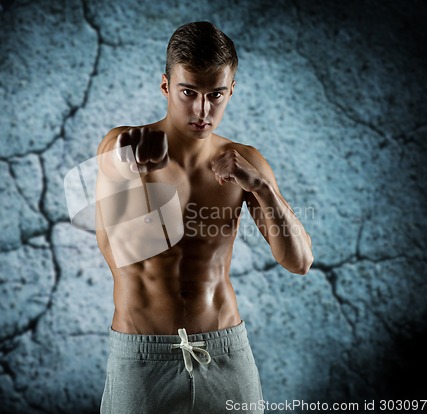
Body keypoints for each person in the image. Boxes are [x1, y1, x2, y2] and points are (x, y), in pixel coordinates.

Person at [95, 21, 313, 414]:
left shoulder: (247, 161)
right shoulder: (125, 143)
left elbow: (299, 261)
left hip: (225, 350)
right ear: (166, 86)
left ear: (231, 90)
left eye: (215, 95)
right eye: (188, 92)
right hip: (144, 359)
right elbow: (114, 236)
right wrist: (125, 172)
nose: (201, 110)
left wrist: (261, 187)